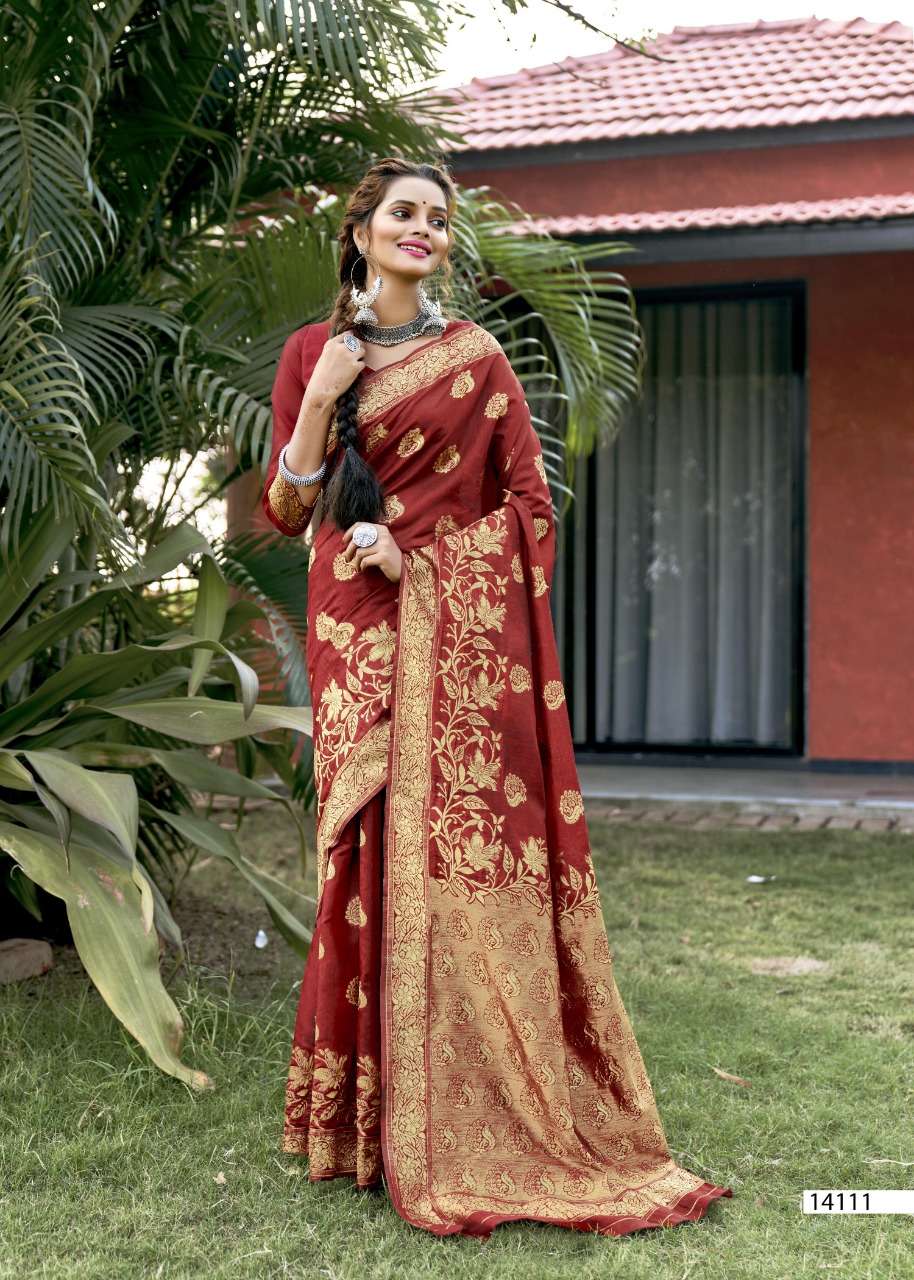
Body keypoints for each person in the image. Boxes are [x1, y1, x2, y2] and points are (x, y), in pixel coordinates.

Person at [261, 155, 733, 1239]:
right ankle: (363, 1124)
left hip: (436, 618)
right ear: (360, 233)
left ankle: (466, 1108)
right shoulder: (309, 353)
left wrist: (419, 563)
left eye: (437, 218)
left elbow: (530, 507)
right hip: (350, 629)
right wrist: (324, 396)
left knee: (448, 857)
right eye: (403, 213)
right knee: (362, 852)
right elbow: (287, 510)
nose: (421, 230)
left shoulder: (476, 359)